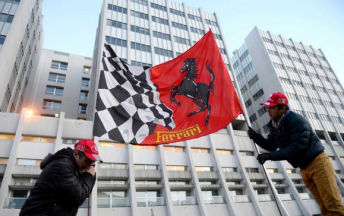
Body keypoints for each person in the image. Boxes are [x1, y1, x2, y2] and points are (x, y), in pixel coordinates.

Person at [247, 92, 344, 216]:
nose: (268, 110)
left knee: (334, 208)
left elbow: (296, 148)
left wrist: (270, 156)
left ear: (282, 108)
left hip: (318, 164)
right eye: (267, 107)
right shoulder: (275, 125)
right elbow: (271, 145)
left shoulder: (297, 121)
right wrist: (256, 137)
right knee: (325, 209)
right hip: (304, 169)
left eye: (271, 107)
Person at [20, 139, 103, 216]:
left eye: (93, 163)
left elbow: (85, 193)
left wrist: (89, 175)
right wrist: (89, 176)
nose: (89, 167)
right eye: (87, 161)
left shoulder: (76, 168)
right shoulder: (61, 166)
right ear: (75, 154)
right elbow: (79, 197)